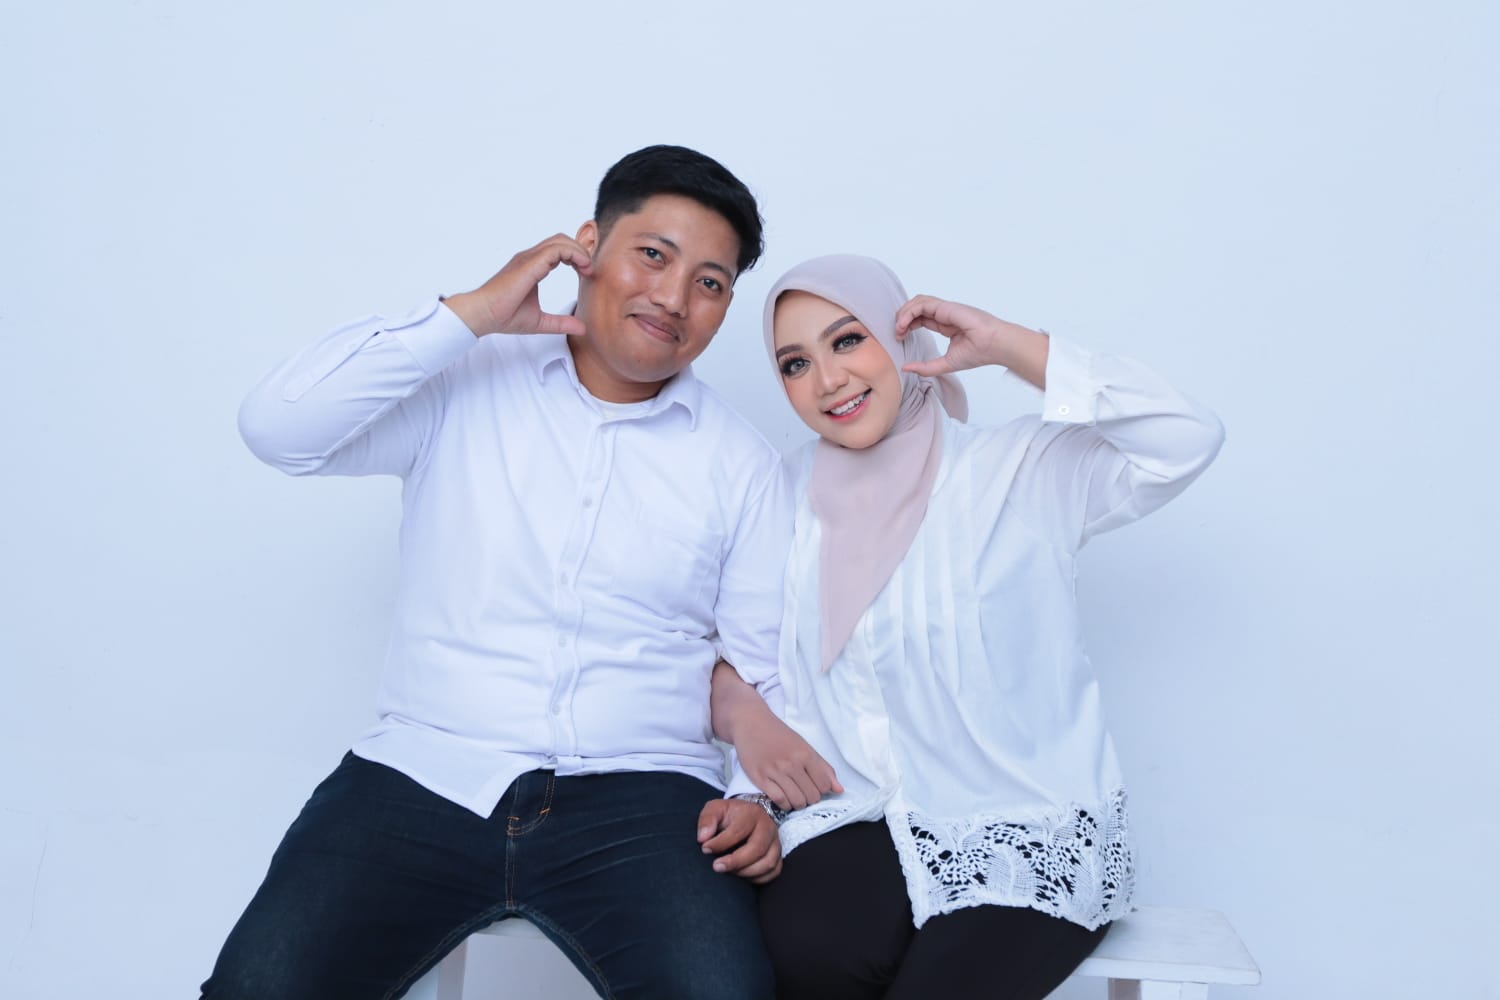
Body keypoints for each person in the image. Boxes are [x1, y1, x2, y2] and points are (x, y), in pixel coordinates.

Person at [202, 146, 797, 1000]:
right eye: (652, 255)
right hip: (424, 771)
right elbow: (279, 428)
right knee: (257, 988)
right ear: (587, 246)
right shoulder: (461, 383)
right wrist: (470, 315)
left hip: (646, 797)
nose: (673, 298)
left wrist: (754, 799)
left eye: (710, 282)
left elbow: (761, 660)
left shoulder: (742, 463)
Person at [711, 254, 1225, 1000]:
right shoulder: (785, 492)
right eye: (796, 363)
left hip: (1024, 820)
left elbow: (1186, 439)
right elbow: (747, 651)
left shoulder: (1019, 469)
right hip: (852, 813)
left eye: (848, 340)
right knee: (808, 960)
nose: (827, 380)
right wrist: (750, 775)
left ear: (901, 339)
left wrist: (1012, 346)